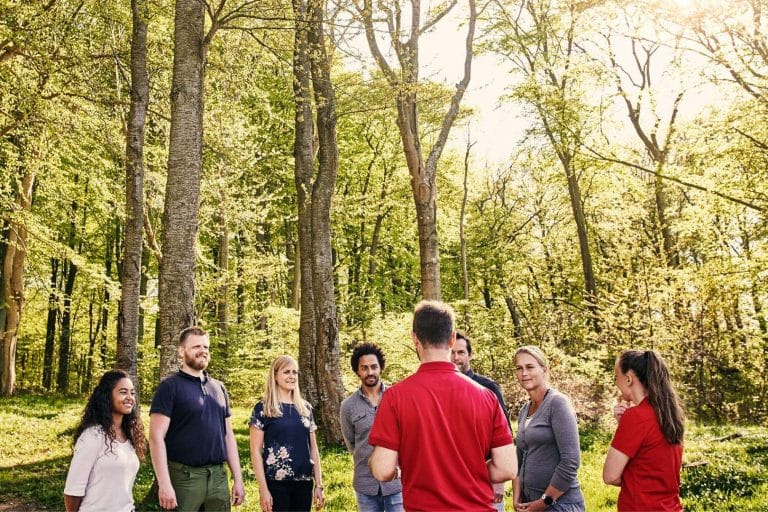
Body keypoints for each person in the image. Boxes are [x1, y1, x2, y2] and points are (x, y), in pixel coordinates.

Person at [368, 300, 517, 512]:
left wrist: (393, 471)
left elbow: (383, 470)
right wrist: (470, 473)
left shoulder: (395, 397)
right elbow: (507, 467)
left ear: (415, 338)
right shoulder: (486, 396)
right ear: (452, 338)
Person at [149, 326, 245, 511]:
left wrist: (238, 479)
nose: (203, 351)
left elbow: (228, 436)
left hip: (218, 478)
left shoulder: (219, 388)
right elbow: (156, 438)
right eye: (196, 347)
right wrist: (164, 484)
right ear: (181, 351)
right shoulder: (169, 388)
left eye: (206, 347)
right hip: (184, 479)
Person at [603, 349, 685, 511]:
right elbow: (652, 464)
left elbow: (610, 476)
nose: (615, 383)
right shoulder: (668, 414)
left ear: (628, 379)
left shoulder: (635, 417)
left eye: (616, 377)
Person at [512, 346, 585, 512]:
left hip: (559, 505)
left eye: (530, 367)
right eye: (519, 368)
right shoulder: (524, 409)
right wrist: (517, 498)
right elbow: (519, 459)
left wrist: (544, 501)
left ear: (544, 369)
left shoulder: (557, 403)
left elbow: (570, 461)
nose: (524, 373)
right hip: (529, 504)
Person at [249, 355, 325, 512]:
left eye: (295, 372)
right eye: (286, 372)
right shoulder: (263, 409)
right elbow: (255, 451)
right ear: (275, 376)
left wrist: (319, 485)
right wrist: (263, 489)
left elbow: (313, 449)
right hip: (276, 484)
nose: (292, 376)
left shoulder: (305, 409)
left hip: (304, 483)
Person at [64, 369, 146, 512]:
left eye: (132, 393)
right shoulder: (93, 436)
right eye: (123, 392)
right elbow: (73, 490)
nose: (130, 397)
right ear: (107, 396)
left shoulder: (130, 436)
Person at [340, 343, 404, 512]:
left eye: (374, 367)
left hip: (396, 484)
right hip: (365, 485)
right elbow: (352, 444)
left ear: (380, 368)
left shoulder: (397, 398)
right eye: (364, 368)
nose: (370, 372)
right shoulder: (348, 406)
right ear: (357, 371)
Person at [452, 331, 510, 511]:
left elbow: (505, 436)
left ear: (470, 354)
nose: (456, 357)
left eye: (461, 352)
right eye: (451, 353)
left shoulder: (488, 388)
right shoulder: (441, 389)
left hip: (485, 481)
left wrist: (499, 480)